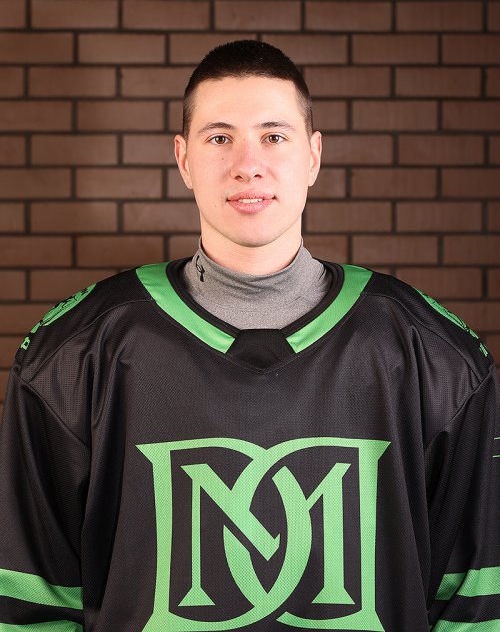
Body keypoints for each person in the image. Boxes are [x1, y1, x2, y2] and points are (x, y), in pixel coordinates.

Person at [0, 40, 498, 632]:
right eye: (219, 138)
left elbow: (473, 603)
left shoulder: (435, 354)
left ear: (313, 156)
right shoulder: (74, 352)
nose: (247, 164)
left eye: (274, 136)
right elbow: (33, 602)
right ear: (183, 159)